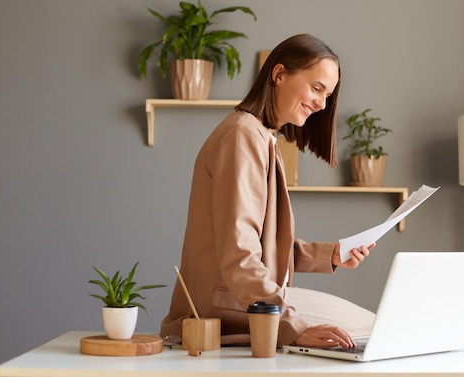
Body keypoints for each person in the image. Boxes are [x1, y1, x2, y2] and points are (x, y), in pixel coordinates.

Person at [160, 33, 375, 349]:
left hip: (239, 300)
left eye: (328, 94)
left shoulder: (257, 135)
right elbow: (240, 255)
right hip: (225, 307)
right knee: (370, 329)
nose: (322, 104)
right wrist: (294, 326)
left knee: (369, 327)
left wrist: (330, 254)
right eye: (316, 88)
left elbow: (259, 245)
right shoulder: (241, 137)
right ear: (278, 74)